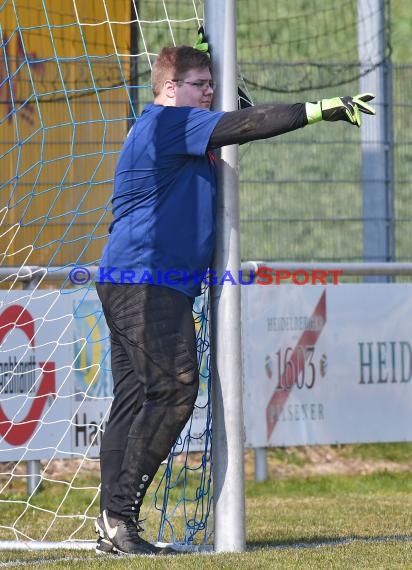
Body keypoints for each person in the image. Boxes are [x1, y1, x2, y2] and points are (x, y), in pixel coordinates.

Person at [94, 44, 375, 556]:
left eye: (211, 86)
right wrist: (317, 108)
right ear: (171, 88)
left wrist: (217, 59)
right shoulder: (167, 122)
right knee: (176, 390)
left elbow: (239, 118)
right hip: (146, 278)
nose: (209, 95)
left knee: (135, 399)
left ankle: (113, 524)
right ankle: (119, 517)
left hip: (138, 278)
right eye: (201, 85)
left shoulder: (182, 126)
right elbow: (248, 126)